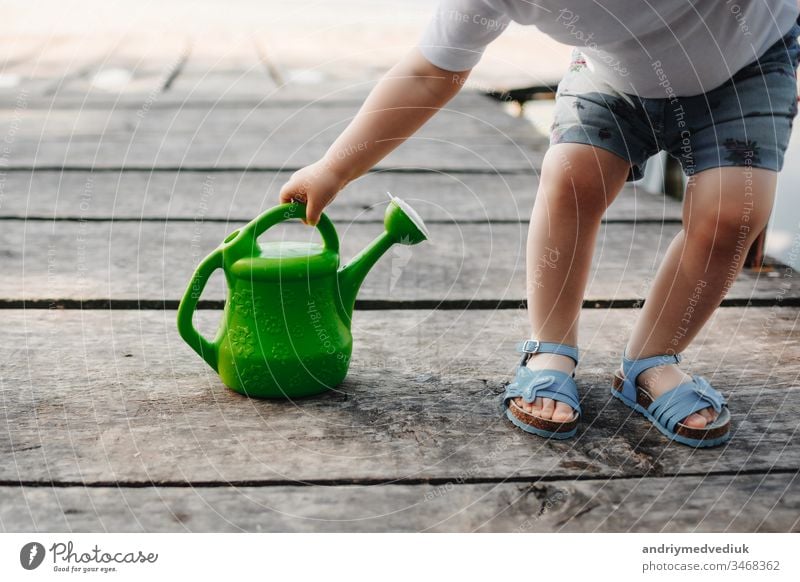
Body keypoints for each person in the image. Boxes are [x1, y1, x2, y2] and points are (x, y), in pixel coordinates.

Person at [279, 0, 800, 447]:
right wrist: (335, 167)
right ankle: (550, 348)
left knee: (732, 215)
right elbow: (428, 72)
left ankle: (651, 360)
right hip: (612, 71)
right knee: (571, 177)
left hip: (745, 66)